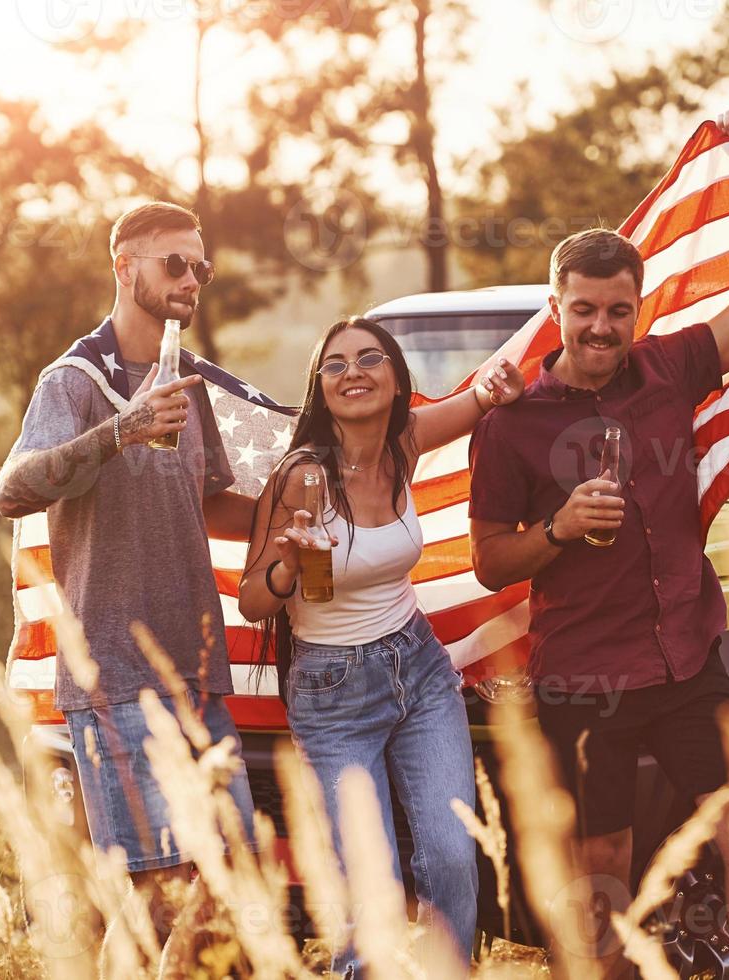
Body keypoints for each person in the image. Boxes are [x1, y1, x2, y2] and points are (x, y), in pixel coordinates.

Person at [466, 111, 729, 978]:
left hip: (687, 659)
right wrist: (557, 529)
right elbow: (490, 562)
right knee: (604, 871)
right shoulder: (510, 426)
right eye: (583, 311)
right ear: (555, 309)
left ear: (638, 307)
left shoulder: (672, 365)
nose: (602, 328)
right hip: (585, 676)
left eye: (619, 310)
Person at [0, 201, 261, 969]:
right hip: (113, 676)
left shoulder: (192, 380)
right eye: (174, 263)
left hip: (198, 675)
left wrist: (296, 509)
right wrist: (122, 430)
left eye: (200, 267)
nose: (191, 279)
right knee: (155, 895)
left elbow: (207, 500)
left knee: (228, 877)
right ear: (125, 267)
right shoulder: (76, 379)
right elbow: (12, 491)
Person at [238, 316, 524, 977]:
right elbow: (256, 600)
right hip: (333, 692)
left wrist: (499, 385)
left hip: (419, 671)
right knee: (370, 872)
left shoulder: (403, 444)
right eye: (335, 364)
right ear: (320, 386)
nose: (353, 373)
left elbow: (476, 400)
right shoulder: (302, 477)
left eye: (370, 360)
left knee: (452, 852)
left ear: (396, 381)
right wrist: (287, 563)